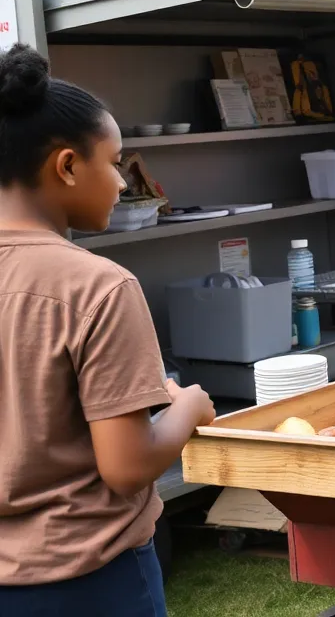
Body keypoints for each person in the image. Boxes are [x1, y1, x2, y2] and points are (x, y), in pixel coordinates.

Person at [0, 45, 216, 615]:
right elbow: (126, 468)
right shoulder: (99, 286)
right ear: (68, 166)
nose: (123, 182)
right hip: (84, 581)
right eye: (115, 162)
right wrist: (188, 406)